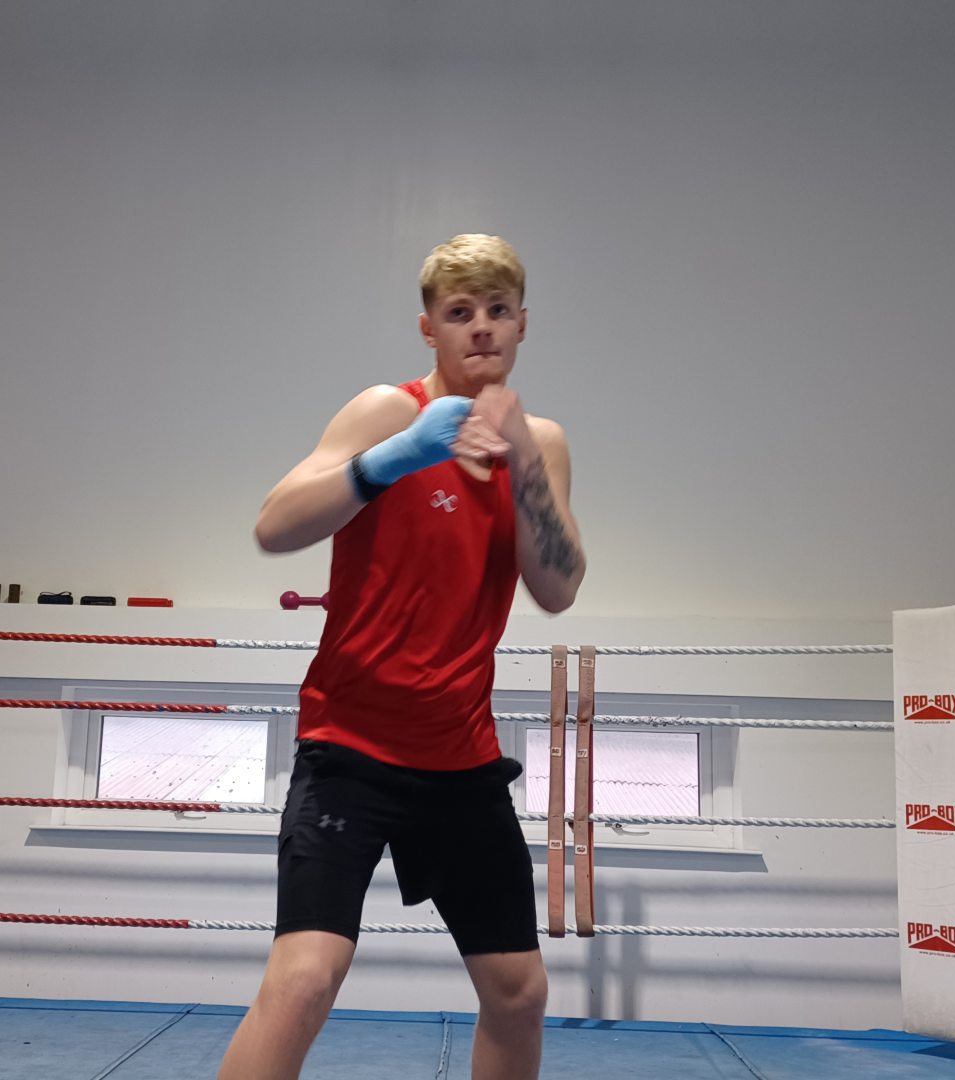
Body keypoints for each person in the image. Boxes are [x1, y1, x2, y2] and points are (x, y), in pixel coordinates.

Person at [218, 234, 586, 1080]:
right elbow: (275, 527)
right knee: (307, 978)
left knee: (518, 991)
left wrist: (524, 458)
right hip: (350, 747)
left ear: (523, 324)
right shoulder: (386, 410)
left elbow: (558, 587)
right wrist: (393, 459)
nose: (481, 329)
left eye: (497, 311)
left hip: (460, 758)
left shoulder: (545, 444)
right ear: (430, 328)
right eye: (461, 313)